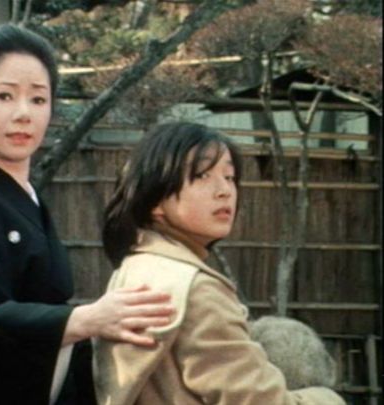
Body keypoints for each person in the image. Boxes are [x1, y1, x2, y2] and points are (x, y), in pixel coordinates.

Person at [0, 23, 175, 405]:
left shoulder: (26, 200)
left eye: (38, 99)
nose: (23, 114)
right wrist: (86, 319)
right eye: (4, 96)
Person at [93, 122, 345, 405]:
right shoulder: (196, 288)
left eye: (229, 177)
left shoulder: (139, 264)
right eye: (203, 175)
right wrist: (328, 399)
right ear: (155, 200)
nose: (225, 190)